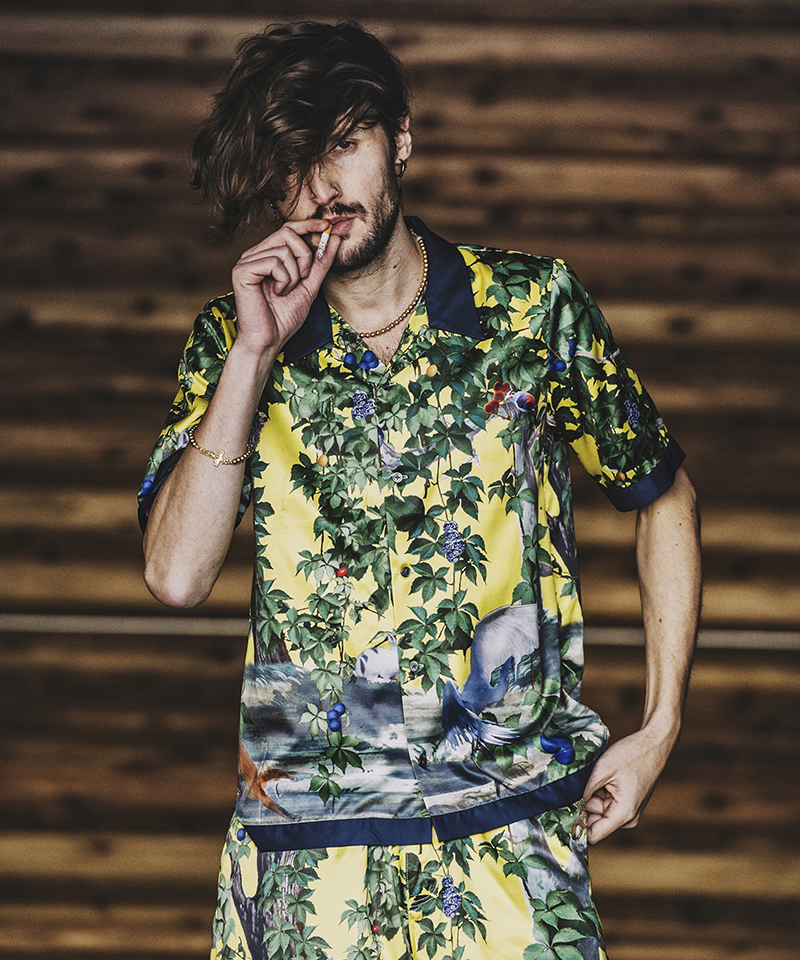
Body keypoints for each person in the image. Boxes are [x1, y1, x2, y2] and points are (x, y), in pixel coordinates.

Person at [139, 20, 701, 960]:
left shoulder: (531, 309)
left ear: (401, 138)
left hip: (510, 840)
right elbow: (176, 575)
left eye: (343, 144)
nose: (321, 189)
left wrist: (661, 727)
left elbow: (664, 495)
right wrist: (251, 356)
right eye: (292, 165)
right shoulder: (230, 343)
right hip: (308, 861)